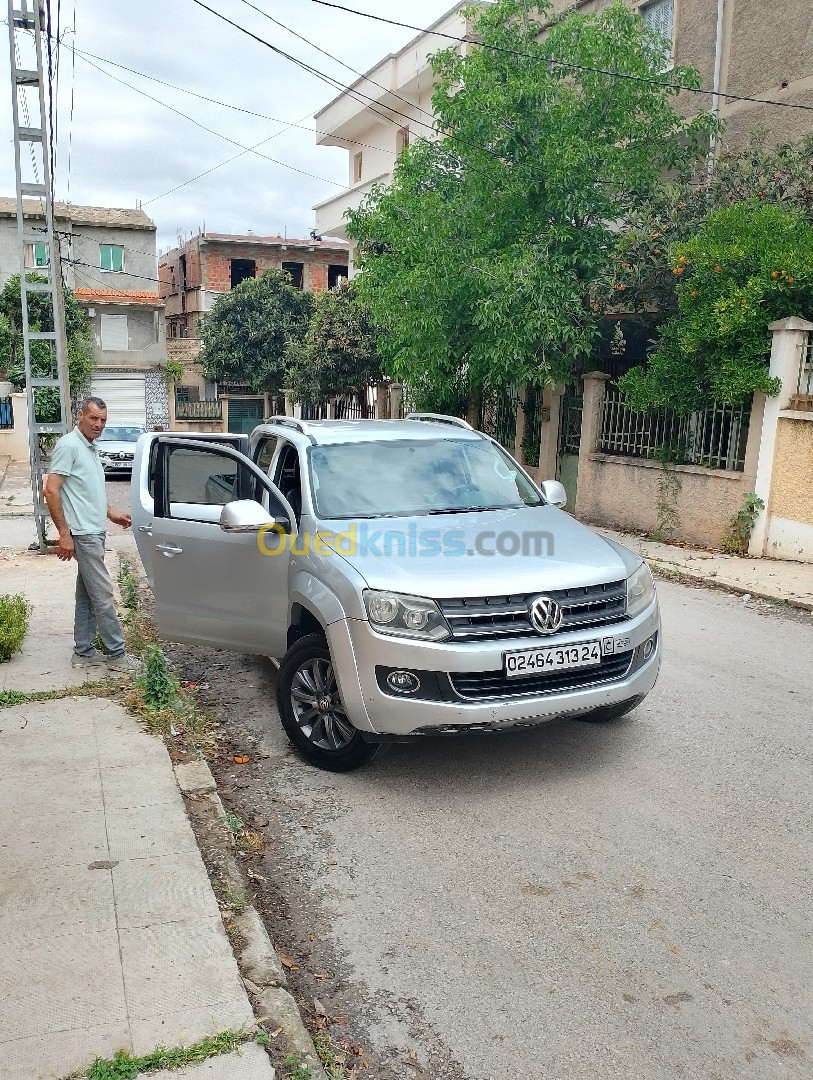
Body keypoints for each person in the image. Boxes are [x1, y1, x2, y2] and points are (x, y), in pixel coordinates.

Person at [43, 396, 140, 672]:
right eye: (93, 418)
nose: (99, 424)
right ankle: (117, 653)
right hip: (83, 533)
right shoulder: (69, 446)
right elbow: (51, 489)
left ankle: (84, 652)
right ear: (80, 416)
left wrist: (110, 514)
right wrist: (64, 533)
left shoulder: (89, 447)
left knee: (87, 595)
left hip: (94, 530)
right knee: (103, 594)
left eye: (103, 420)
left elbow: (87, 489)